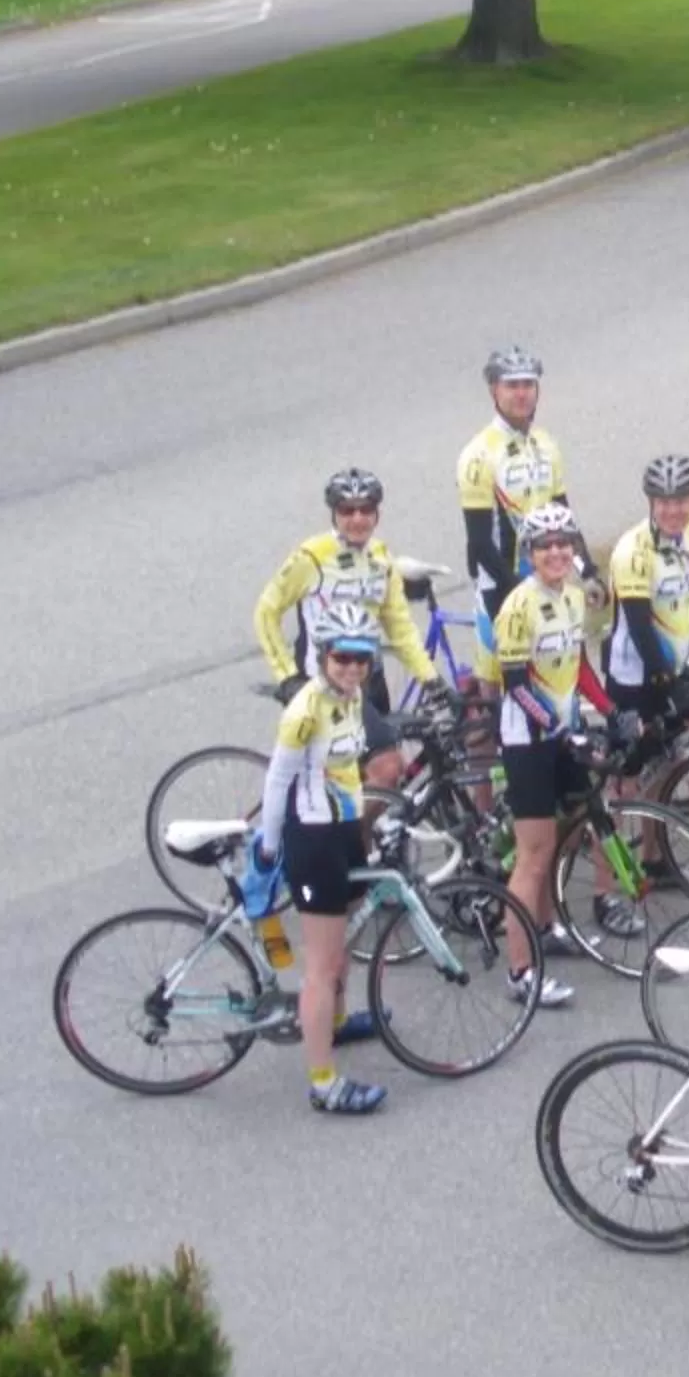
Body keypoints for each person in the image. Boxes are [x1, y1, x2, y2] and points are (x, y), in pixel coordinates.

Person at [244, 602, 390, 1116]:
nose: (351, 667)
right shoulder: (305, 708)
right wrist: (267, 848)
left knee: (344, 942)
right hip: (313, 840)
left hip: (344, 831)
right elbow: (278, 781)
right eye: (341, 657)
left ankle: (337, 1021)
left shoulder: (351, 698)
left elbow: (351, 770)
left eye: (361, 658)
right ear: (323, 655)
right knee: (322, 964)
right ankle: (324, 1084)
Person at [251, 468, 443, 785]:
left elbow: (400, 628)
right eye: (347, 510)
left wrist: (431, 680)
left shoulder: (381, 558)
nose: (357, 518)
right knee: (386, 767)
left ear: (377, 514)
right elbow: (266, 612)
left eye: (366, 509)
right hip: (327, 683)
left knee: (379, 779)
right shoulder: (312, 556)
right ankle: (351, 834)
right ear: (334, 514)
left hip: (370, 680)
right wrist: (286, 676)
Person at [486, 500, 592, 1010]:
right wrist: (556, 727)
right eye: (544, 546)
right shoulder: (518, 606)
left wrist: (608, 709)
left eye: (563, 543)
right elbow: (516, 686)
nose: (555, 552)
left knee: (565, 833)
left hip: (561, 733)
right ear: (529, 554)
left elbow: (580, 667)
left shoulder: (573, 596)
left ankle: (548, 926)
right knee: (532, 853)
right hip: (528, 739)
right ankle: (519, 970)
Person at [605, 452, 689, 765]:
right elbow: (640, 628)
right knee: (632, 773)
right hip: (634, 678)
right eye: (664, 502)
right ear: (651, 502)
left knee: (671, 765)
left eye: (681, 502)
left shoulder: (685, 543)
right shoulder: (633, 551)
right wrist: (670, 684)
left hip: (668, 669)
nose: (673, 511)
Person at [456, 345, 567, 626]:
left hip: (546, 575)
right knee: (503, 670)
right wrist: (517, 588)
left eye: (529, 384)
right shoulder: (479, 453)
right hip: (500, 585)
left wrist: (587, 570)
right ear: (494, 390)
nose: (521, 394)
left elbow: (564, 516)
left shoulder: (546, 443)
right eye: (512, 385)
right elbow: (480, 542)